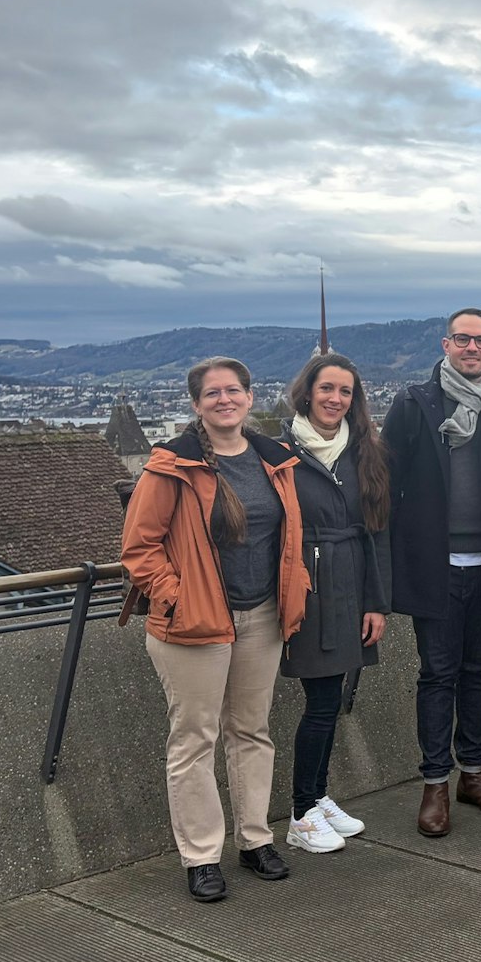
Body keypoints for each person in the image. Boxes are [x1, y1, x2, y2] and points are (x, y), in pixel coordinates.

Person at [121, 356, 310, 902]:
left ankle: (255, 839)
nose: (225, 400)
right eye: (213, 393)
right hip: (194, 622)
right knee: (194, 740)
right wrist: (177, 598)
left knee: (251, 731)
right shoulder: (171, 466)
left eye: (233, 391)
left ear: (250, 397)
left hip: (262, 616)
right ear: (196, 404)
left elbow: (287, 537)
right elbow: (139, 547)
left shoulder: (274, 460)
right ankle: (202, 856)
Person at [381, 309, 481, 836]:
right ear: (446, 344)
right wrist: (390, 560)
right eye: (462, 339)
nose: (472, 347)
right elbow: (385, 485)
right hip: (434, 566)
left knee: (478, 672)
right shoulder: (414, 404)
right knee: (437, 674)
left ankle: (472, 773)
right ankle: (435, 782)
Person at [277, 352, 392, 853]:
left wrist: (377, 603)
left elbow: (377, 531)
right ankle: (302, 812)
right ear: (307, 393)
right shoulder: (280, 451)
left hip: (349, 583)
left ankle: (317, 796)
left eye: (345, 391)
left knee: (330, 698)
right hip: (307, 585)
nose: (335, 399)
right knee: (322, 701)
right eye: (327, 388)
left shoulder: (363, 451)